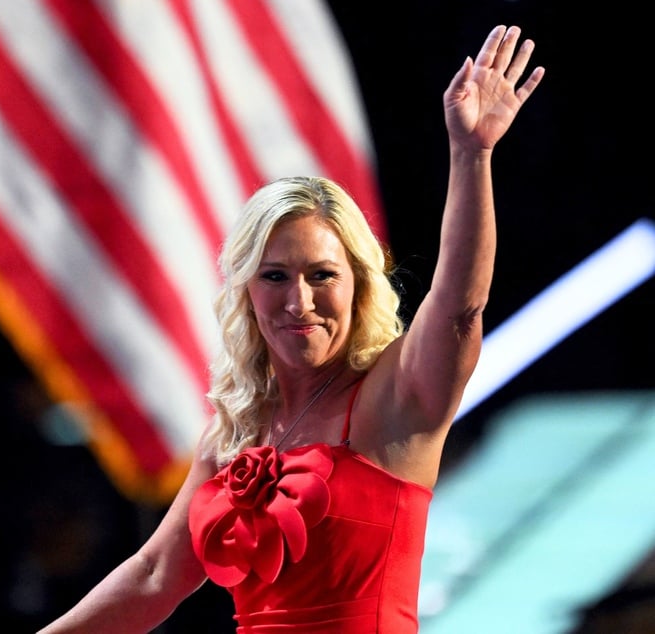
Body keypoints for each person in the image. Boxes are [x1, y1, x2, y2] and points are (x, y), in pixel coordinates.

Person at [39, 24, 544, 633]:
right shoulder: (234, 429)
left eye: (322, 275)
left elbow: (459, 306)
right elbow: (152, 577)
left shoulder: (399, 393)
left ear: (359, 283)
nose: (297, 301)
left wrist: (471, 155)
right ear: (246, 292)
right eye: (274, 276)